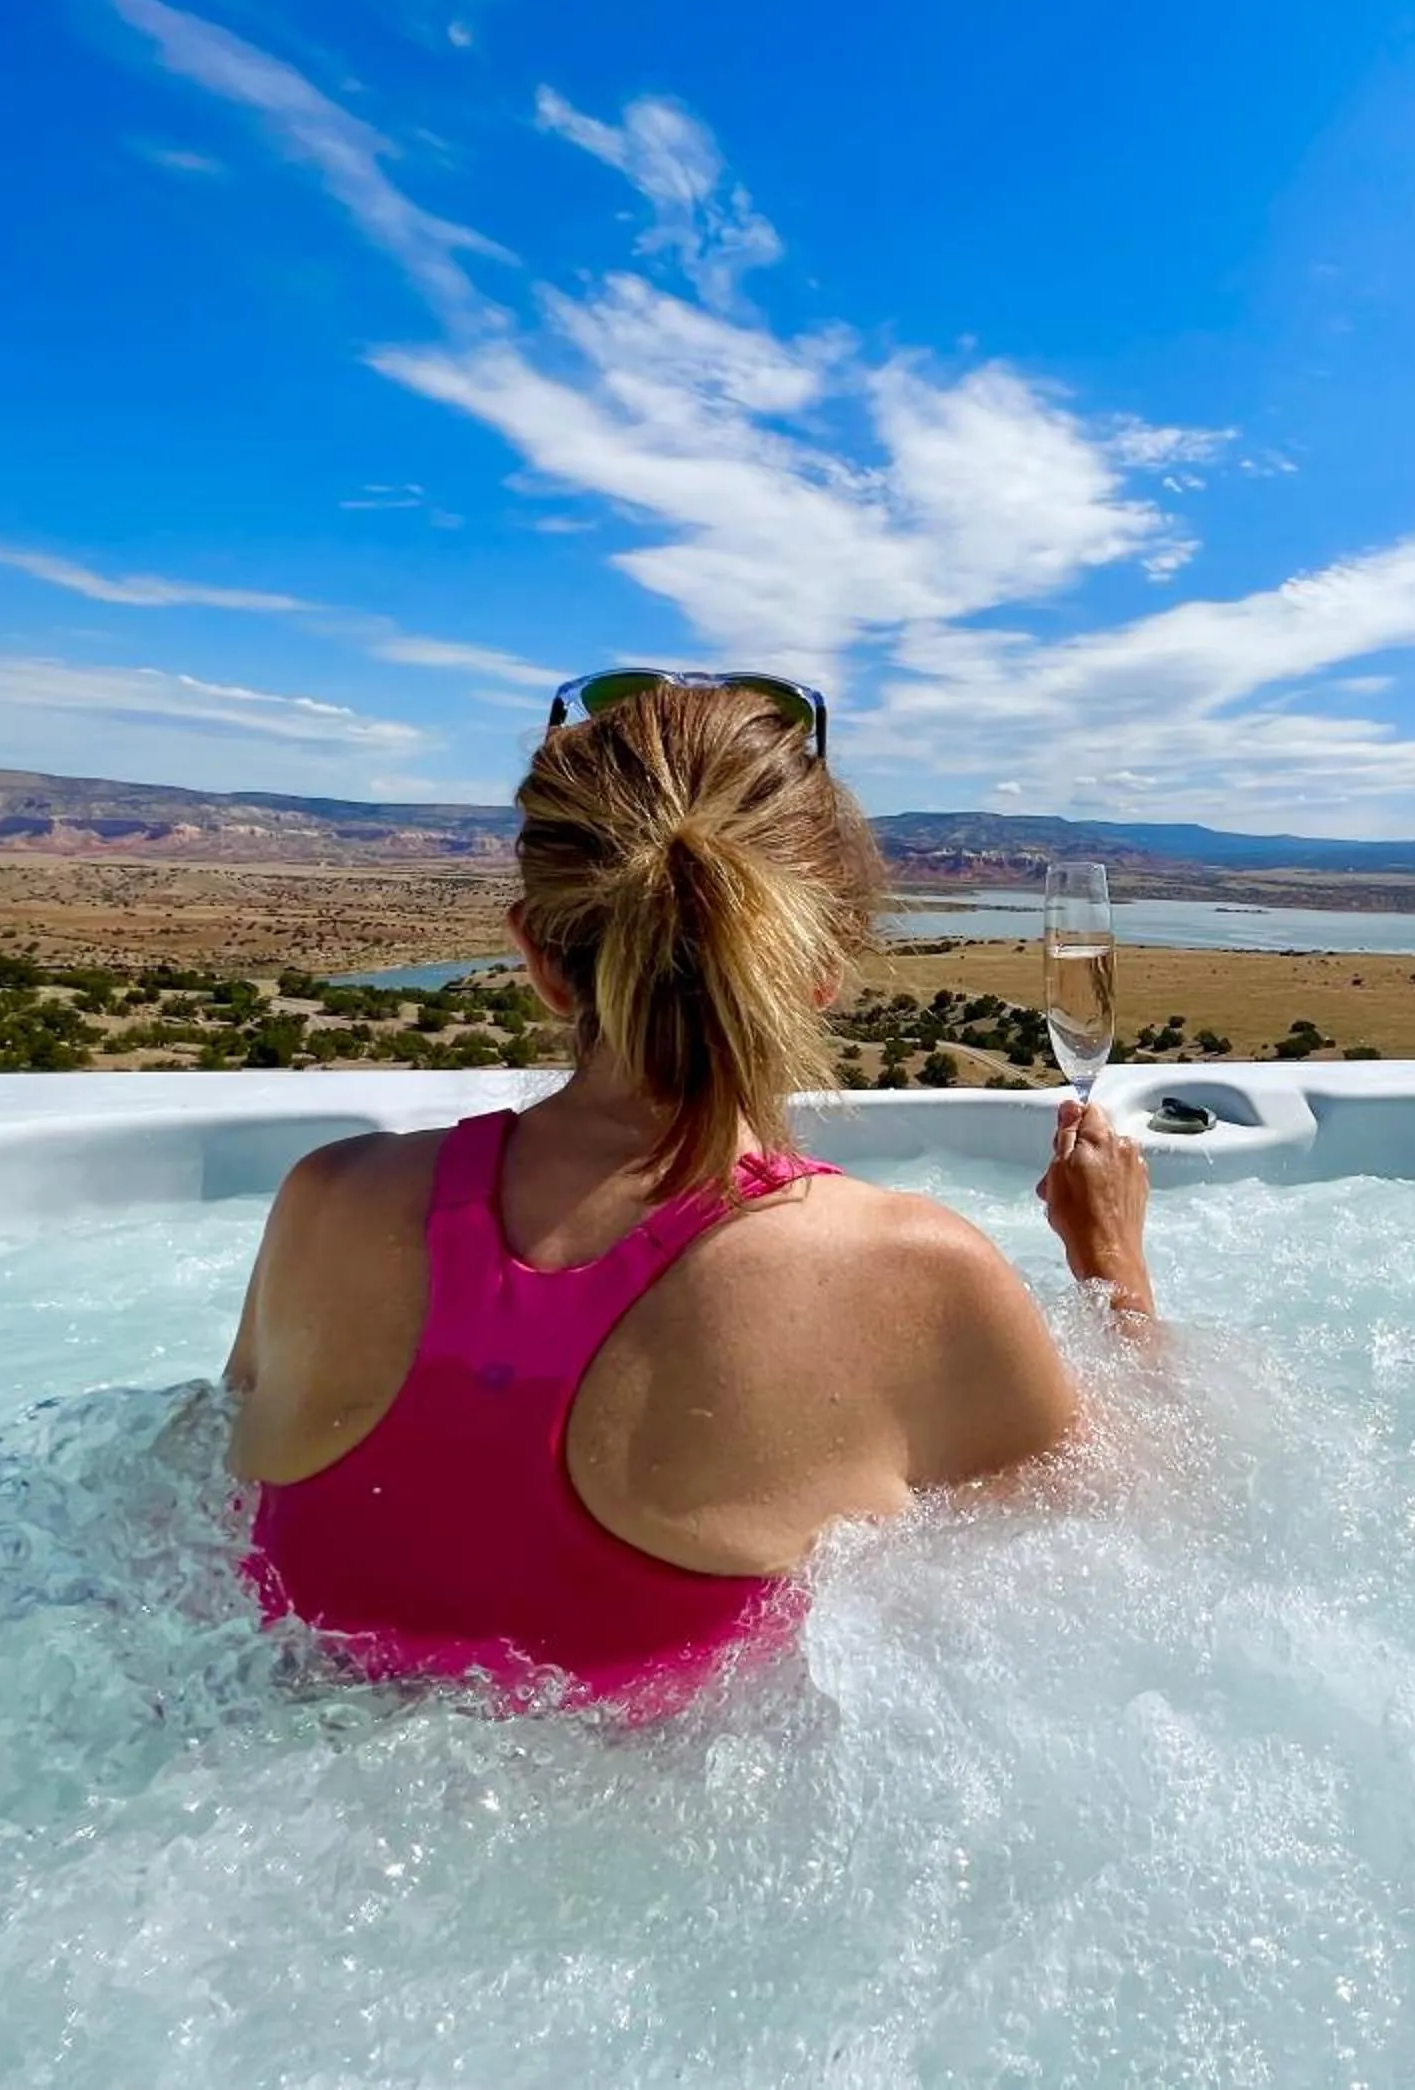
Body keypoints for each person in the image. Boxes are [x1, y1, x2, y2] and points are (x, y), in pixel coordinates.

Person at [224, 669, 1155, 1708]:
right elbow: (1149, 1534)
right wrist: (1113, 1265)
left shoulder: (328, 1202)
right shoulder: (912, 1276)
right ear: (823, 967)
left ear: (539, 958)